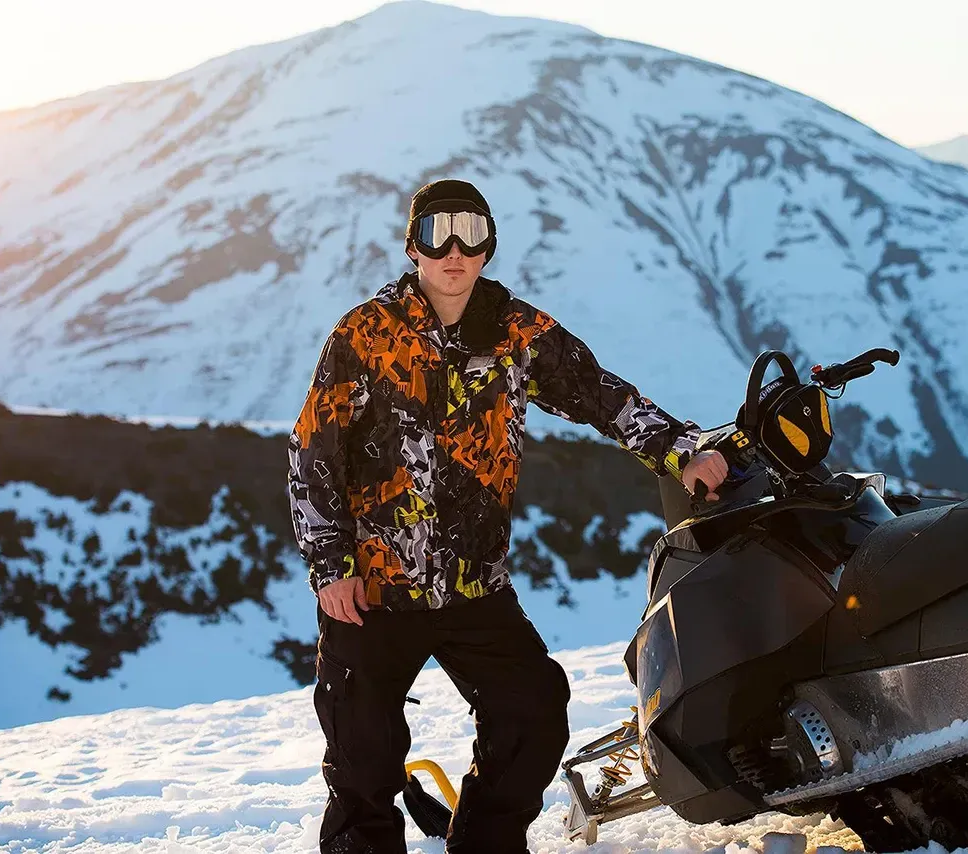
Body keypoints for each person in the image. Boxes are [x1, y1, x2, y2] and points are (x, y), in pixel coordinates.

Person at [287, 179, 728, 854]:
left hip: (473, 585)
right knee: (361, 758)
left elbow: (596, 392)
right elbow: (314, 450)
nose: (455, 250)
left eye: (472, 231)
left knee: (533, 715)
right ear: (413, 247)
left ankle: (484, 845)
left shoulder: (518, 332)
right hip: (373, 588)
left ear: (489, 245)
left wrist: (678, 450)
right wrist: (330, 566)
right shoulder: (365, 335)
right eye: (438, 234)